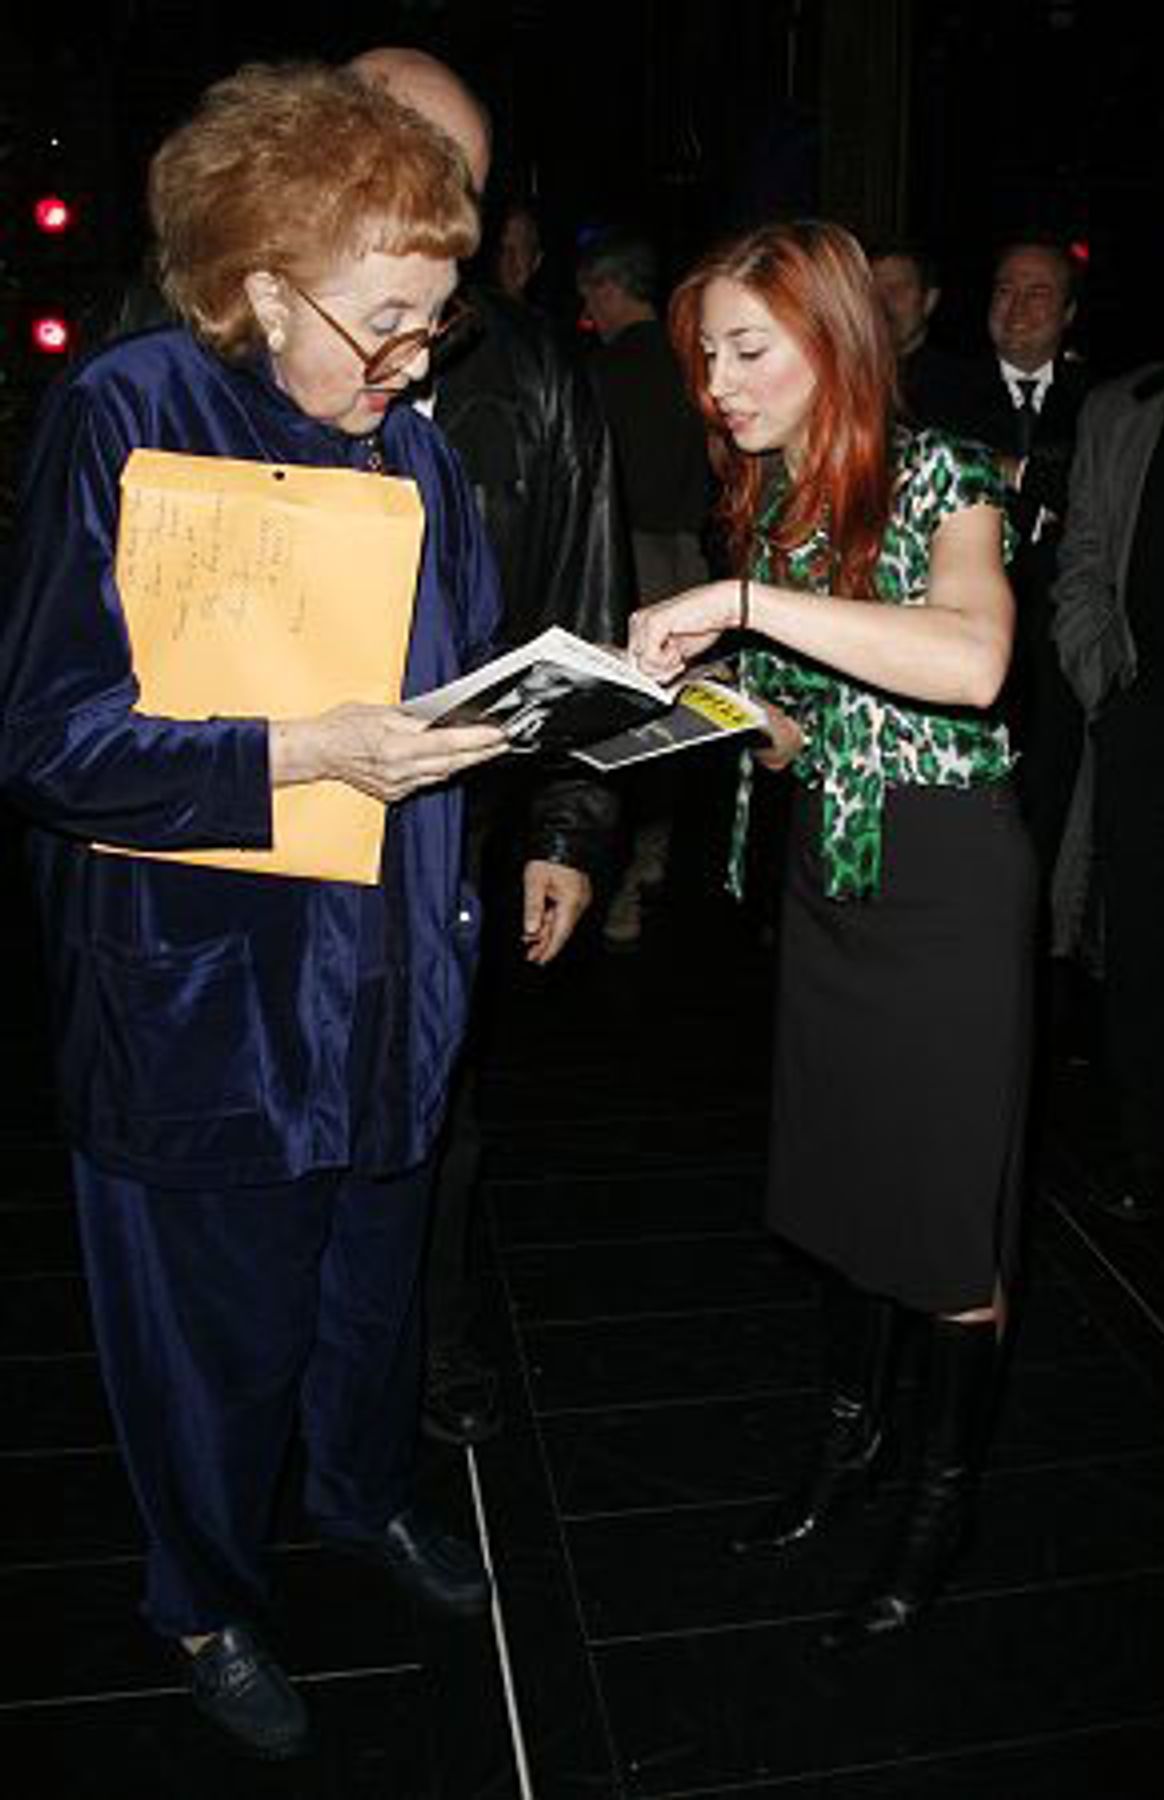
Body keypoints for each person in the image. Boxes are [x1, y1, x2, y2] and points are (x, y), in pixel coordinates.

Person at [0, 61, 531, 1761]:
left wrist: (572, 712)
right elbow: (51, 739)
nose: (416, 360)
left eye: (435, 322)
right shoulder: (130, 414)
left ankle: (362, 1495)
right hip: (204, 998)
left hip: (390, 978)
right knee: (208, 1346)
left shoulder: (423, 461)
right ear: (260, 285)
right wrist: (305, 749)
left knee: (369, 1308)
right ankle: (206, 1594)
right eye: (388, 320)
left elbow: (455, 693)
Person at [627, 219, 1036, 1647]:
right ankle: (848, 1453)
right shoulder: (774, 499)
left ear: (835, 340)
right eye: (704, 357)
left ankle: (940, 1504)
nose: (719, 383)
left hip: (945, 889)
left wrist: (740, 601)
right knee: (848, 1190)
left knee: (944, 1221)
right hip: (832, 875)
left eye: (747, 349)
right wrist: (728, 711)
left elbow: (973, 663)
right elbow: (821, 723)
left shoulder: (947, 473)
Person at [349, 47, 629, 1445]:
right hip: (263, 800)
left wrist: (571, 832)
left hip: (453, 815)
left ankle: (432, 1347)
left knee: (439, 1105)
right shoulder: (197, 339)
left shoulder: (532, 372)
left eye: (450, 170)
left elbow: (580, 607)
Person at [1049, 241, 1164, 1223]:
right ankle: (1153, 1149)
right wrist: (1107, 681)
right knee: (1148, 945)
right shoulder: (1127, 407)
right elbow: (1085, 562)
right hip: (1156, 715)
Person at [575, 226, 712, 945]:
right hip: (691, 560)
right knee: (678, 725)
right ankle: (656, 864)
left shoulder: (608, 371)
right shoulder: (697, 357)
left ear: (605, 287)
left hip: (634, 562)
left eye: (587, 295)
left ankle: (620, 882)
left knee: (626, 727)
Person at [976, 235, 1091, 884]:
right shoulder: (945, 389)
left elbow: (1091, 492)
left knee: (1051, 787)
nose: (1017, 308)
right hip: (965, 625)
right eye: (1004, 290)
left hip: (1058, 635)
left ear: (1069, 312)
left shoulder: (1102, 399)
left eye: (1038, 292)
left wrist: (1013, 472)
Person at [867, 239, 994, 439]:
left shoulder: (964, 388)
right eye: (873, 291)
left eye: (898, 289)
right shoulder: (844, 380)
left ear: (929, 301)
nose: (884, 302)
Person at [492, 197, 545, 304]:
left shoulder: (543, 318)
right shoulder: (471, 309)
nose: (510, 261)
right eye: (505, 249)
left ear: (536, 261)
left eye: (522, 249)